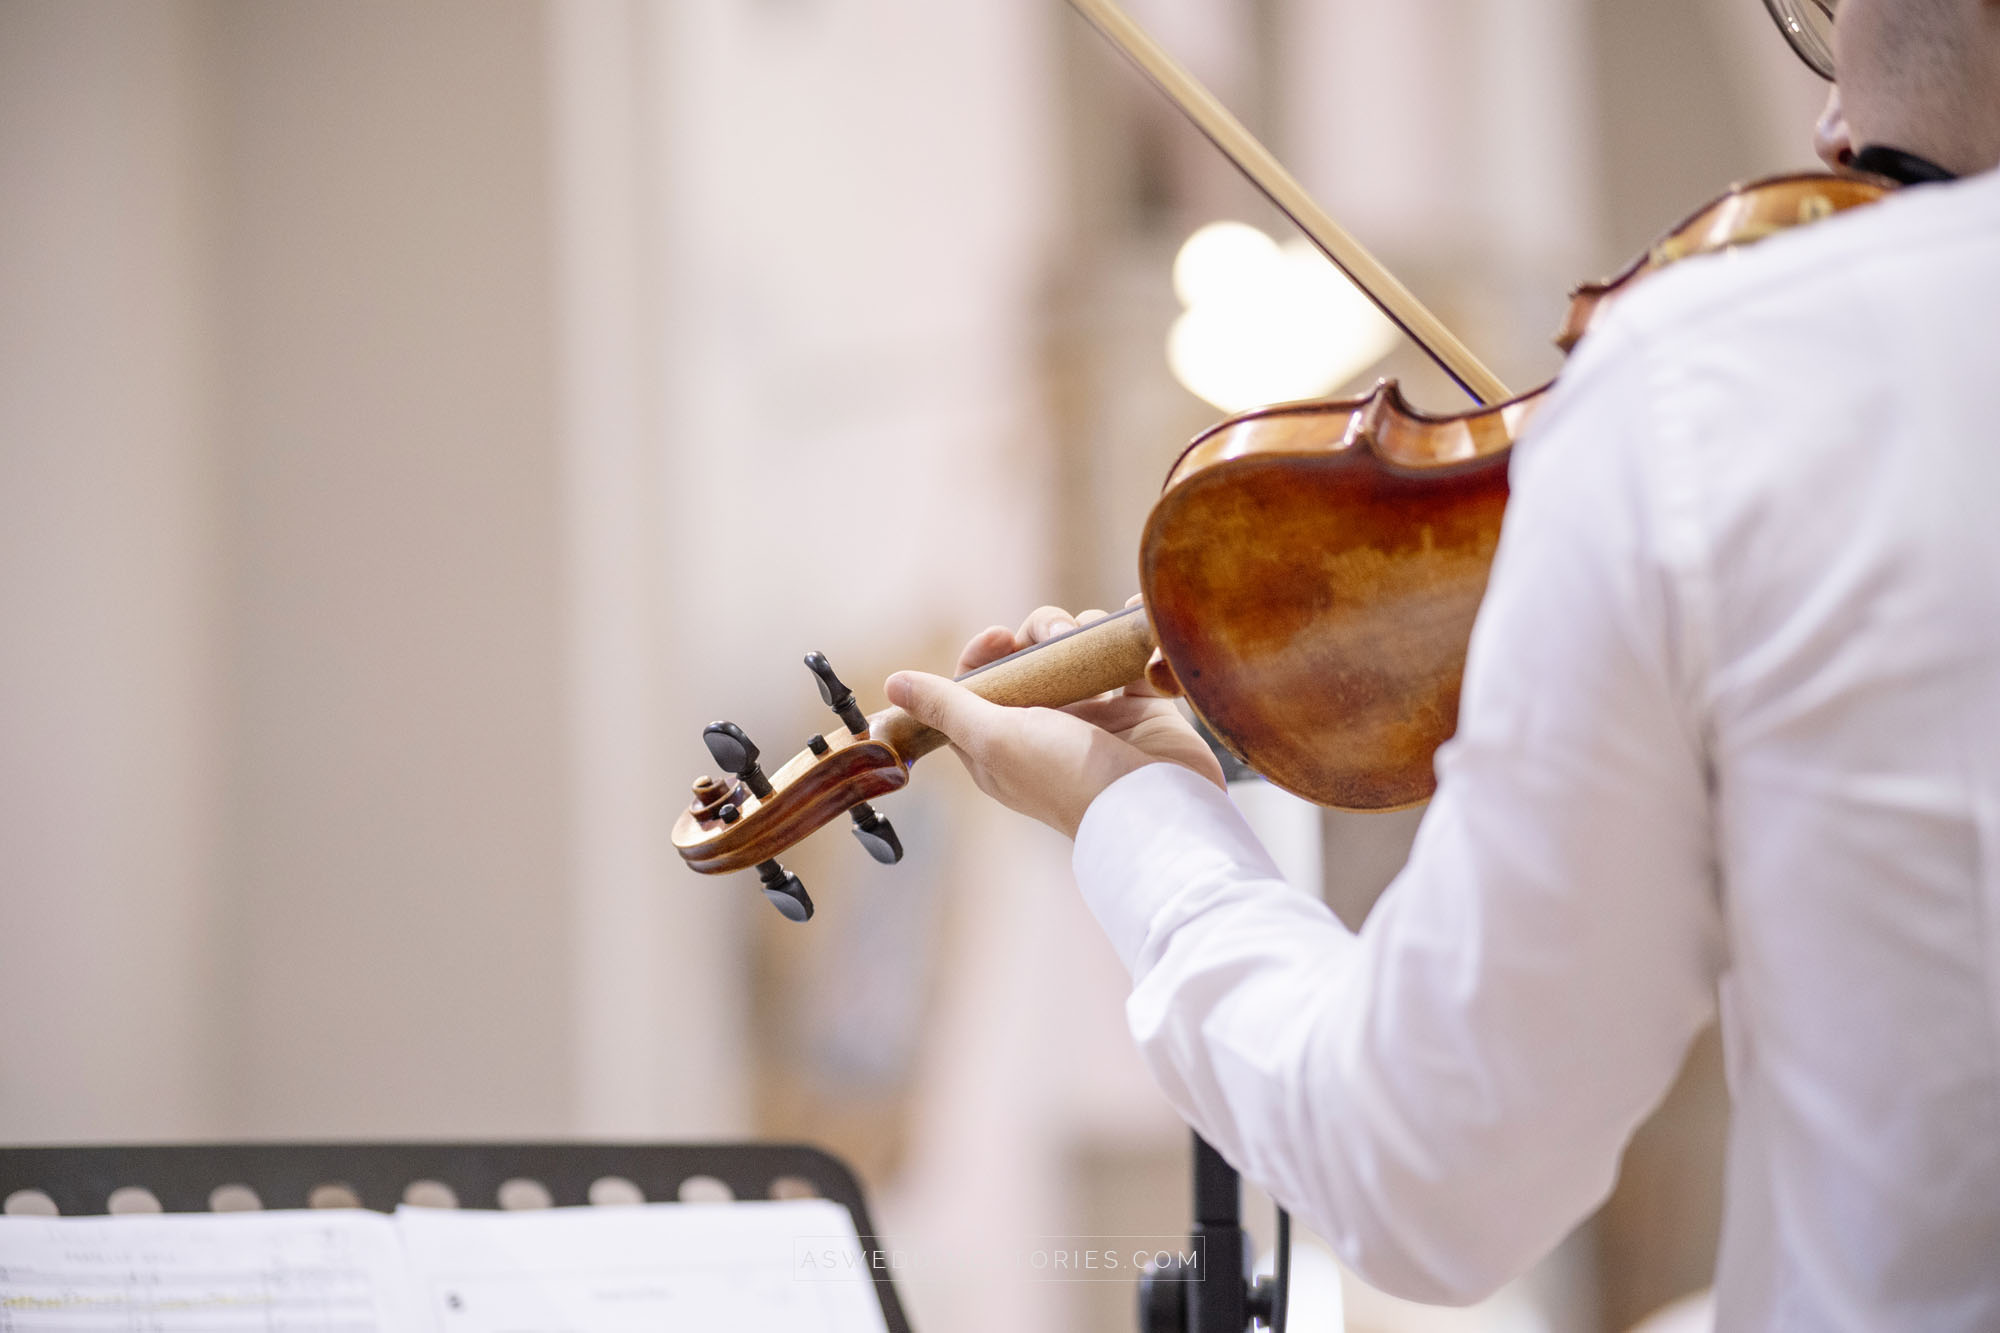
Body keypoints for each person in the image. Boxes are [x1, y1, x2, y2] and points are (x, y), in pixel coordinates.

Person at [884, 0, 2000, 1324]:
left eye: (1830, 23)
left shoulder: (1720, 392)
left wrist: (1139, 824)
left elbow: (1430, 1165)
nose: (1826, 122)